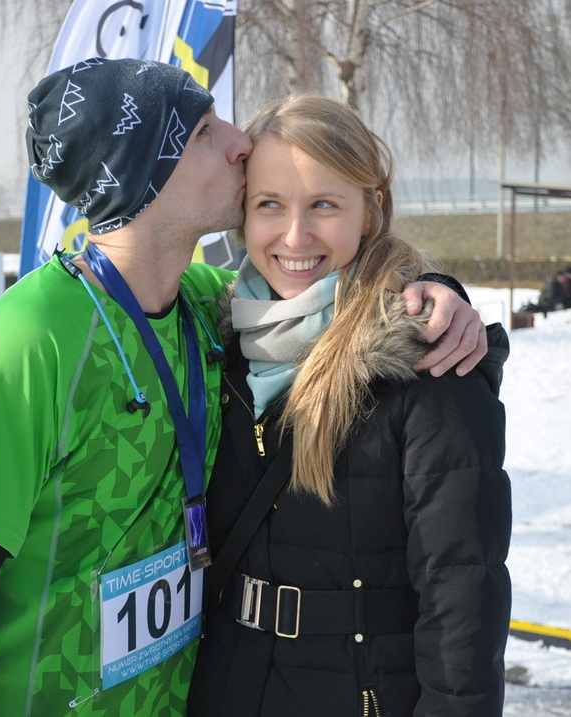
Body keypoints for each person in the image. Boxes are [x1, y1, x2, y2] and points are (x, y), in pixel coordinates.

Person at [0, 59, 486, 717]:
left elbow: (333, 303)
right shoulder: (25, 344)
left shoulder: (208, 307)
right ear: (144, 173)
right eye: (203, 130)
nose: (239, 142)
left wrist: (433, 296)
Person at [187, 96, 511, 716]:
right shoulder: (216, 343)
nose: (295, 236)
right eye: (270, 205)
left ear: (370, 211)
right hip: (229, 685)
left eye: (324, 205)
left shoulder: (428, 362)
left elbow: (462, 592)